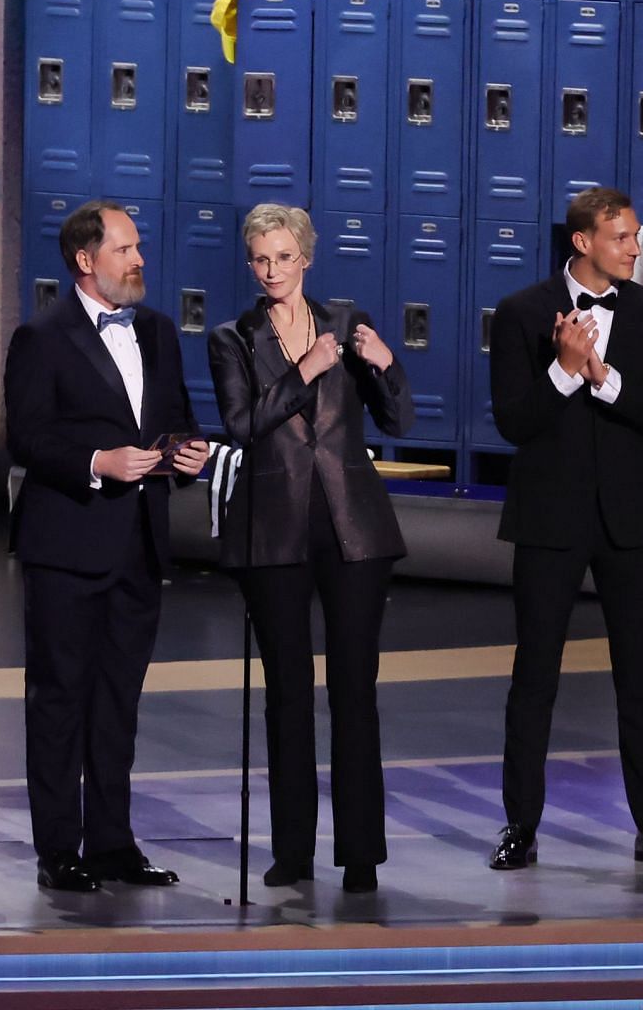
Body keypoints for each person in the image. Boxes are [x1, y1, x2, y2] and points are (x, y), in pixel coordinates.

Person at [486, 188, 643, 873]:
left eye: (635, 237)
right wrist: (563, 370)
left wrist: (603, 381)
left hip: (632, 520)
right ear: (583, 242)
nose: (637, 248)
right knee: (534, 677)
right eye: (623, 238)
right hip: (550, 518)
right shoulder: (521, 313)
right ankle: (520, 825)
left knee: (640, 681)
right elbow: (515, 423)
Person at [5, 200, 211, 892]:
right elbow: (28, 438)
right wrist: (99, 461)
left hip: (138, 546)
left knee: (119, 701)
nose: (140, 260)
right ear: (85, 261)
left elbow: (174, 414)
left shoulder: (156, 330)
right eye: (125, 249)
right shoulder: (42, 337)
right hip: (67, 544)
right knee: (61, 698)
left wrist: (187, 451)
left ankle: (113, 843)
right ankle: (59, 848)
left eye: (138, 247)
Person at [207, 204, 413, 895]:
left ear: (307, 259)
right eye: (260, 259)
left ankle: (361, 854)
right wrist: (305, 370)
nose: (271, 271)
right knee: (287, 694)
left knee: (356, 689)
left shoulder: (346, 322)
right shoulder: (232, 337)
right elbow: (241, 425)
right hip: (276, 527)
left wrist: (384, 366)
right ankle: (292, 850)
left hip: (353, 526)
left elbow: (399, 419)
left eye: (283, 258)